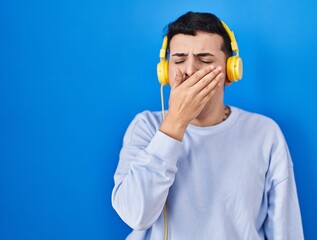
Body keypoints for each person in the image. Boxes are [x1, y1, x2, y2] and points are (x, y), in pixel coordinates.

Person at [112, 11, 304, 240]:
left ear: (231, 72)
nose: (190, 70)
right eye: (179, 60)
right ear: (164, 72)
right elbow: (135, 216)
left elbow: (285, 230)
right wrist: (175, 123)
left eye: (205, 60)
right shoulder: (145, 126)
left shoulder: (264, 133)